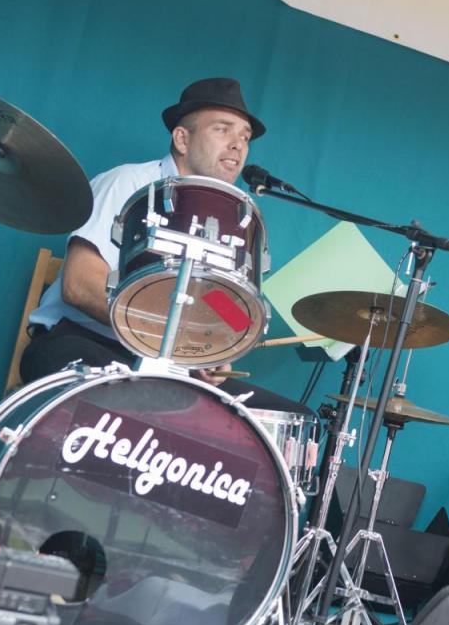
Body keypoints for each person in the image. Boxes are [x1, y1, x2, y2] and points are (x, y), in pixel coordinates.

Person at [22, 77, 308, 413]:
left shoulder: (231, 219)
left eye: (245, 137)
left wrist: (215, 348)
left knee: (291, 418)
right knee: (152, 403)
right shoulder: (127, 182)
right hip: (85, 343)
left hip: (172, 369)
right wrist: (171, 339)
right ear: (182, 139)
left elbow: (221, 308)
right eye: (222, 129)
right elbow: (79, 284)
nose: (238, 145)